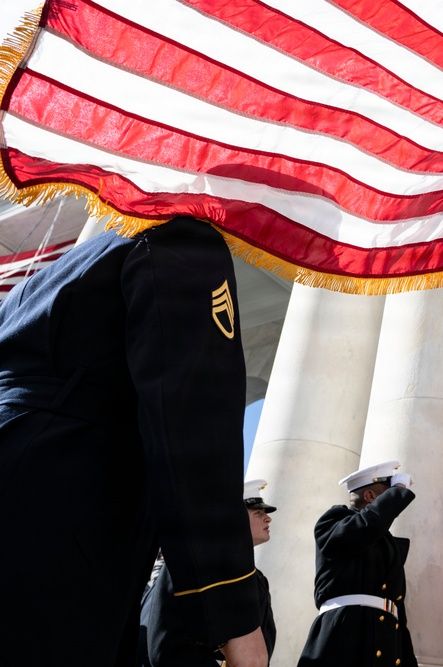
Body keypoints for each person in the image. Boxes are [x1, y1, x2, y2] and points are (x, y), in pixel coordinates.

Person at [0, 216, 266, 667]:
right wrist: (235, 617)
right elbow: (192, 423)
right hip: (62, 523)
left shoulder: (63, 269)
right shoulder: (184, 237)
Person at [297, 460, 418, 667]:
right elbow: (365, 526)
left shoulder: (381, 539)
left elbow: (394, 602)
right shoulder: (334, 521)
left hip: (386, 633)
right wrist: (398, 490)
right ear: (371, 497)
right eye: (387, 494)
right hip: (347, 631)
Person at [145, 478, 279, 665]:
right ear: (235, 517)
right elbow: (168, 639)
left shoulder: (256, 578)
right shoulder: (197, 561)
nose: (268, 517)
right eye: (257, 512)